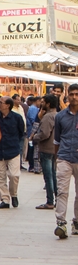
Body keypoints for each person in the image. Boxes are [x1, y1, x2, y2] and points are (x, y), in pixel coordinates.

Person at [53, 84, 78, 238]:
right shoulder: (60, 116)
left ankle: (76, 222)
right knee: (62, 191)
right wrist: (58, 158)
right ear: (67, 96)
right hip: (64, 157)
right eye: (72, 94)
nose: (74, 97)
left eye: (77, 94)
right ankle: (61, 223)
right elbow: (56, 140)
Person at [0, 96, 25, 209]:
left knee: (14, 175)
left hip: (13, 150)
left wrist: (15, 142)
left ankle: (14, 194)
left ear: (8, 105)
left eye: (1, 102)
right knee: (0, 177)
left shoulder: (17, 118)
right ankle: (5, 200)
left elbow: (21, 133)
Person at [33, 95, 59, 210]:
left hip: (46, 149)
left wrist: (34, 137)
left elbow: (45, 134)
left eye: (43, 102)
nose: (41, 104)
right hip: (54, 149)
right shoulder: (58, 115)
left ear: (48, 104)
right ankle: (58, 199)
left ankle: (50, 201)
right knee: (53, 174)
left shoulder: (48, 117)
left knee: (48, 176)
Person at [11, 95, 28, 168]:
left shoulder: (20, 107)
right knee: (14, 148)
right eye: (17, 100)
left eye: (20, 100)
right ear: (13, 100)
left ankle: (19, 164)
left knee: (21, 149)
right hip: (15, 132)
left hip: (22, 131)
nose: (19, 101)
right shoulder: (11, 109)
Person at [26, 97, 42, 174]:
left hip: (34, 132)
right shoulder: (33, 109)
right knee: (33, 151)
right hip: (33, 132)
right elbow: (34, 121)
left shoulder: (35, 109)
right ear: (37, 101)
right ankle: (32, 166)